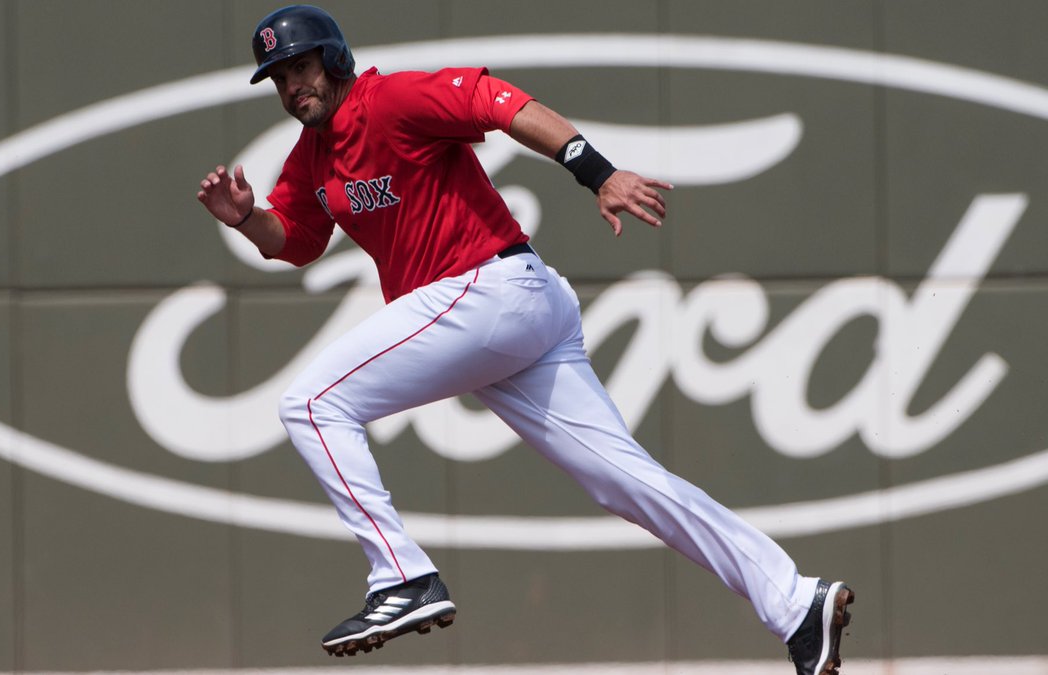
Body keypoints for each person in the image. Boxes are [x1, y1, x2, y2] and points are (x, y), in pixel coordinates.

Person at [196, 5, 854, 674]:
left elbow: (497, 101)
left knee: (310, 402)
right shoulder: (314, 155)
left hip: (487, 290)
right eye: (278, 78)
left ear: (333, 59)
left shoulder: (390, 100)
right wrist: (248, 218)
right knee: (626, 483)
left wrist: (599, 172)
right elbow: (300, 241)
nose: (290, 86)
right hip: (503, 315)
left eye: (300, 67)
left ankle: (401, 575)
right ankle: (796, 601)